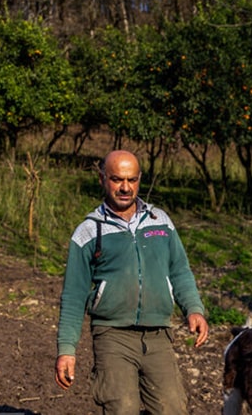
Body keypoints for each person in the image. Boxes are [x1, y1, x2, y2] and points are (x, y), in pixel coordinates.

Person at [54, 149, 209, 414]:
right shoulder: (89, 231)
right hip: (112, 336)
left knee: (172, 408)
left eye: (132, 180)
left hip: (159, 335)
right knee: (122, 408)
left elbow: (180, 270)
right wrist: (66, 349)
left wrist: (194, 309)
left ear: (139, 179)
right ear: (103, 178)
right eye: (117, 179)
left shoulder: (161, 221)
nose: (125, 187)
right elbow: (74, 294)